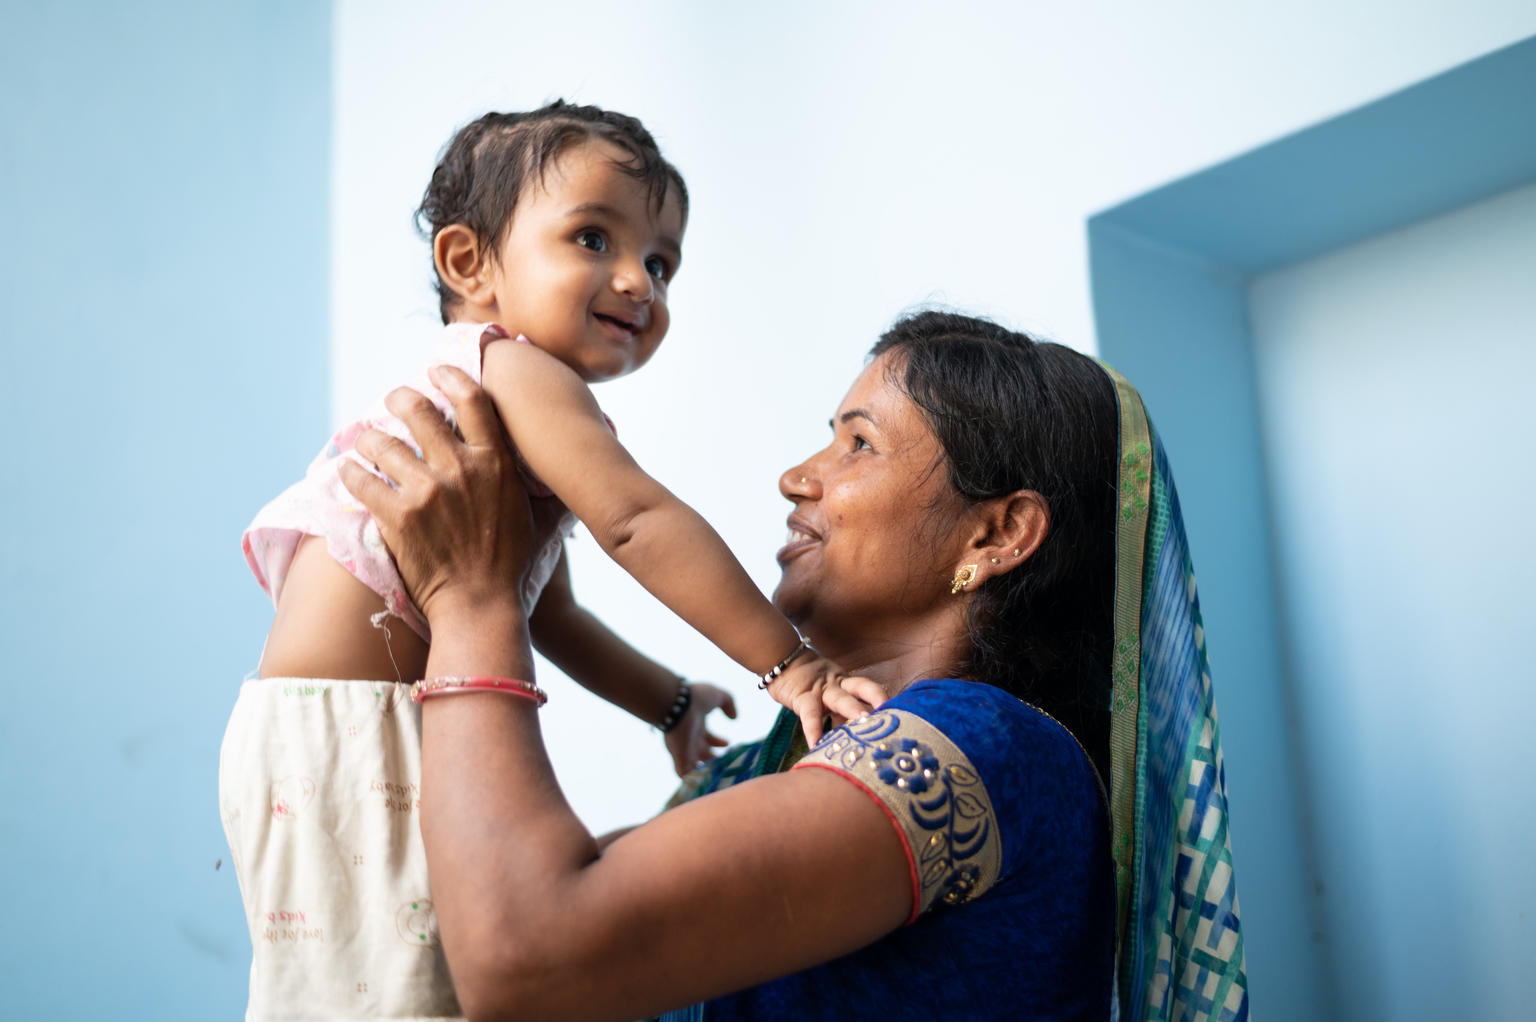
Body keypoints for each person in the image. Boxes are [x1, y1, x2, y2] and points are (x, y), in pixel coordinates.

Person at [341, 310, 1251, 1021]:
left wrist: (473, 597)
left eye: (859, 443)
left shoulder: (989, 749)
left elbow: (526, 958)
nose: (797, 476)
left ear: (997, 533)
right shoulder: (765, 769)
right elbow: (467, 944)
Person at [222, 102, 858, 1020]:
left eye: (662, 261)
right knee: (398, 999)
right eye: (594, 238)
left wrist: (668, 704)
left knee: (364, 986)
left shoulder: (498, 410)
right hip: (356, 731)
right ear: (469, 265)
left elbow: (548, 615)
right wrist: (788, 662)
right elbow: (636, 519)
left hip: (327, 730)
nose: (638, 281)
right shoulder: (513, 372)